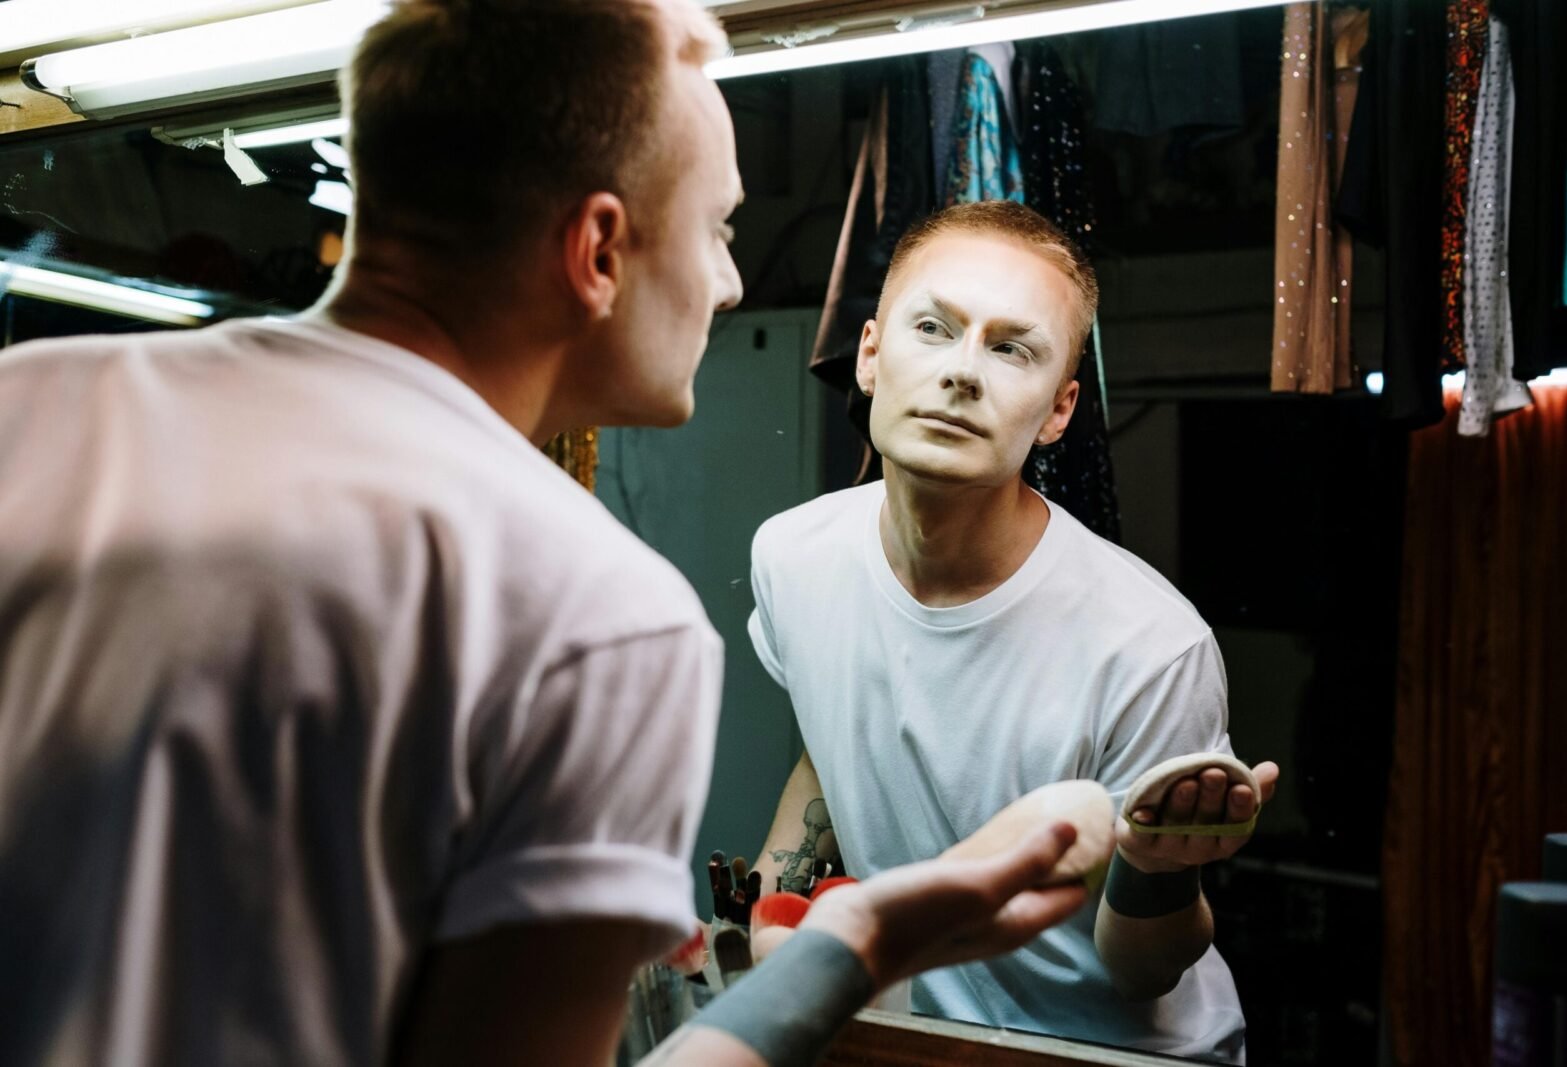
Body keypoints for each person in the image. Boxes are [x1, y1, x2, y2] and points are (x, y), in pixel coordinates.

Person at [0, 3, 1107, 1067]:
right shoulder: (593, 616)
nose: (727, 285)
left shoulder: (31, 406)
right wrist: (858, 942)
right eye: (718, 229)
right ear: (597, 251)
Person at [749, 200, 1282, 1063]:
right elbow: (829, 745)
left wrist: (1156, 867)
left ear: (1060, 409)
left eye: (1011, 348)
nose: (964, 372)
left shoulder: (1149, 645)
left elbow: (1143, 972)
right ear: (873, 357)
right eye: (934, 328)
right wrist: (758, 940)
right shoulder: (794, 556)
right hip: (931, 1038)